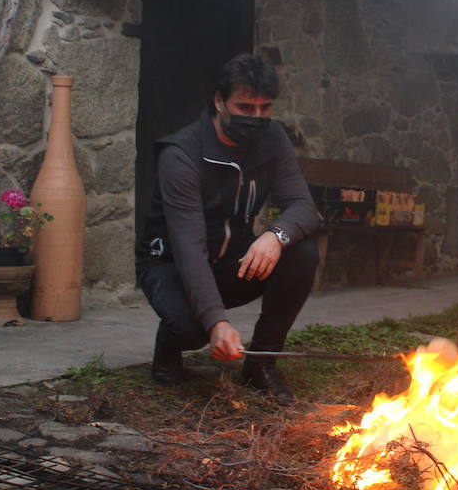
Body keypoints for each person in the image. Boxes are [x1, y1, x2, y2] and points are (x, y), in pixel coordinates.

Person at [136, 54, 321, 401]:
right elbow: (189, 248)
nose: (257, 117)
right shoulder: (181, 154)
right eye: (245, 107)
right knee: (193, 329)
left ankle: (261, 363)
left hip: (231, 257)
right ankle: (171, 342)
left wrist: (275, 236)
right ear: (219, 102)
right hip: (171, 263)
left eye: (265, 108)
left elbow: (304, 206)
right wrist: (216, 322)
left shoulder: (273, 139)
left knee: (302, 252)